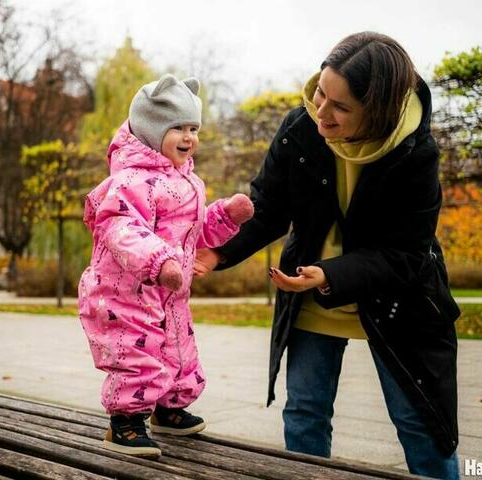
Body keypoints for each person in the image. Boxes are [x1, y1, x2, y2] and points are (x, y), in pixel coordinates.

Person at [194, 32, 461, 479]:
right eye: (321, 92)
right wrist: (215, 254)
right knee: (304, 415)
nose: (322, 111)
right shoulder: (301, 129)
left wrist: (329, 273)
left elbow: (405, 253)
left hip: (399, 302)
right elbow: (268, 208)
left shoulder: (416, 153)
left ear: (376, 112)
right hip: (310, 294)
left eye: (340, 107)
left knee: (420, 426)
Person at [78, 74, 254, 458]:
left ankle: (169, 408)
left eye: (194, 128)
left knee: (178, 349)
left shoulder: (188, 181)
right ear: (150, 129)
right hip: (125, 291)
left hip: (169, 289)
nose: (188, 137)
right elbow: (120, 228)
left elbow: (193, 232)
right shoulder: (130, 181)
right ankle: (124, 424)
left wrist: (224, 216)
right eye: (177, 128)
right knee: (135, 353)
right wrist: (159, 262)